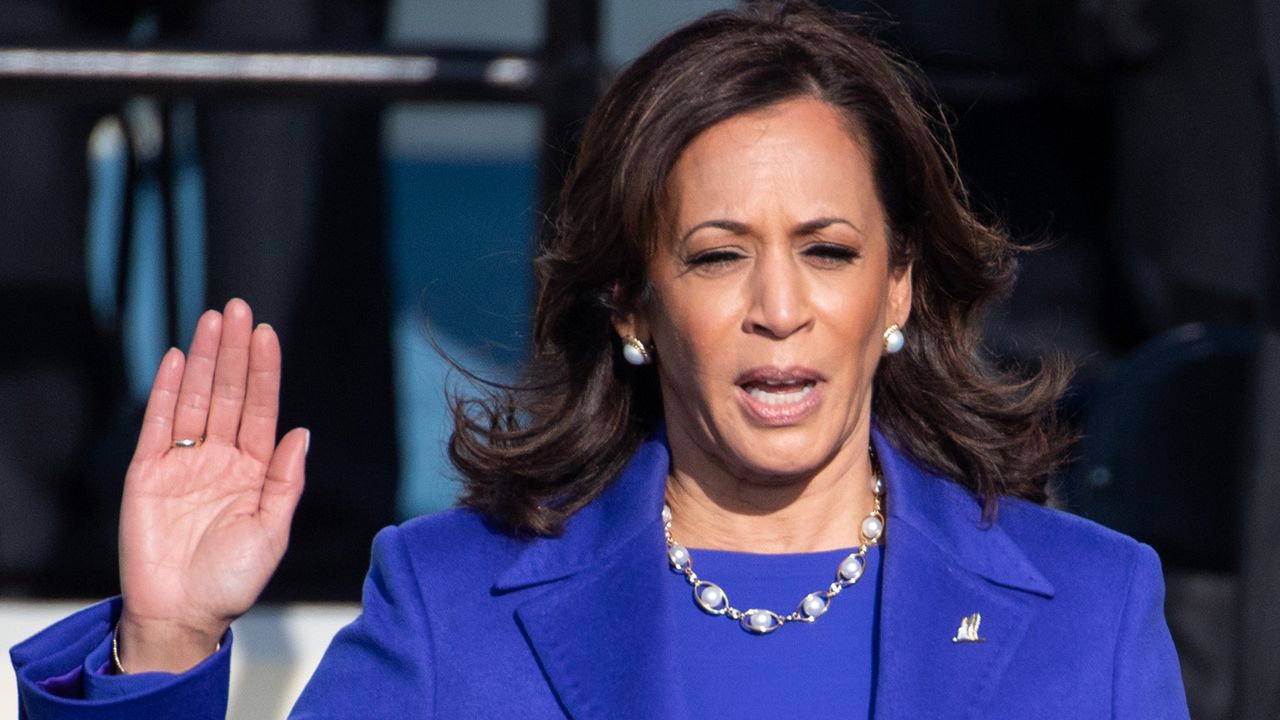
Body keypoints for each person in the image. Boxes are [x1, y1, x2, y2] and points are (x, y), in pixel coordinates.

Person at [11, 1, 1189, 717]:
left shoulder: (1089, 605)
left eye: (826, 251)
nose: (778, 308)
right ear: (631, 301)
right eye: (718, 256)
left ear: (897, 285)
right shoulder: (451, 601)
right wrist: (166, 645)